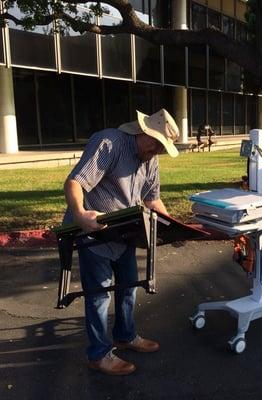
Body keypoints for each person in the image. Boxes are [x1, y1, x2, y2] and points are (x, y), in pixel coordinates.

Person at [63, 109, 180, 376]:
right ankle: (98, 354)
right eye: (157, 144)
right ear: (143, 132)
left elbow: (152, 199)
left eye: (163, 148)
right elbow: (74, 183)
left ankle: (125, 336)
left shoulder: (150, 158)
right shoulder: (109, 143)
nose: (158, 152)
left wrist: (173, 227)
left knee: (129, 287)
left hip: (125, 230)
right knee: (99, 295)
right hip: (93, 230)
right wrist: (80, 215)